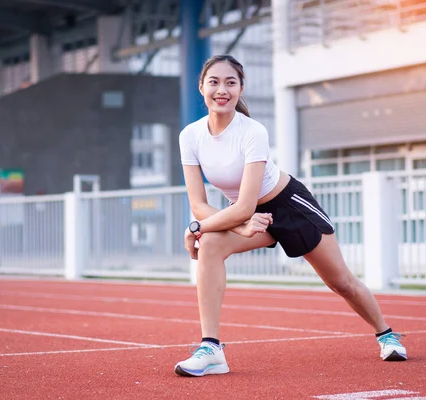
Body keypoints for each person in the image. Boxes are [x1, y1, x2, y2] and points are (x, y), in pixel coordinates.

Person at [174, 55, 407, 377]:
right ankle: (211, 348)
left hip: (290, 206)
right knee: (211, 243)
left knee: (341, 282)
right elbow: (199, 204)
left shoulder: (253, 131)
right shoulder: (190, 136)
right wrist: (217, 226)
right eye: (214, 82)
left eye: (231, 82)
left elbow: (241, 207)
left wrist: (197, 228)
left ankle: (387, 335)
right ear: (201, 87)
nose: (222, 90)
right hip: (251, 214)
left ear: (241, 88)